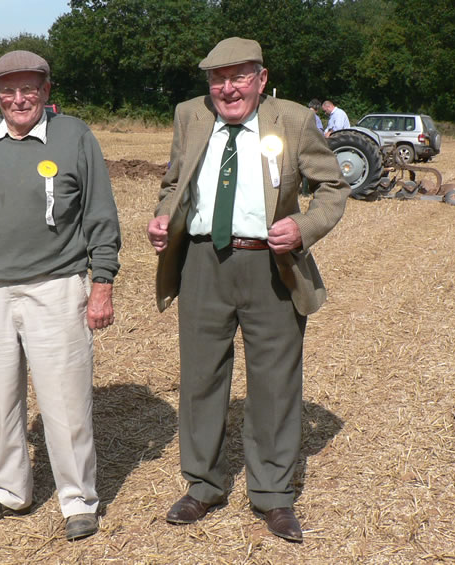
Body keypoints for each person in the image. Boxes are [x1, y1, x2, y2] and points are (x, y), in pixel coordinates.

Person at [146, 37, 349, 543]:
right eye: (218, 78)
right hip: (201, 263)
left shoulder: (295, 120)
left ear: (261, 79)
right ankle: (202, 484)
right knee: (199, 378)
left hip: (270, 268)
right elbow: (174, 182)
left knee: (275, 384)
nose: (228, 87)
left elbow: (333, 187)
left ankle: (274, 495)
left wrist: (304, 227)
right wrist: (164, 215)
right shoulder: (189, 115)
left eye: (239, 76)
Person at [0, 50, 121, 541]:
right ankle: (10, 490)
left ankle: (77, 500)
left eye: (29, 89)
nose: (18, 98)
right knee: (2, 400)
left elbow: (100, 215)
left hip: (56, 287)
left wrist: (102, 283)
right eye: (8, 90)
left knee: (65, 402)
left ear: (46, 92)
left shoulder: (75, 136)